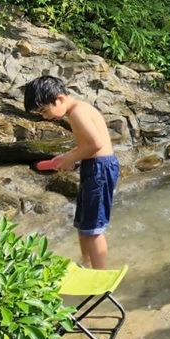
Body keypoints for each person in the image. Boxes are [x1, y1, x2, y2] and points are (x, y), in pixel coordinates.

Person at [24, 75, 120, 270]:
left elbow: (96, 144)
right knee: (83, 223)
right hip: (94, 165)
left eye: (44, 110)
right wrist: (67, 156)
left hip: (100, 168)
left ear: (59, 99)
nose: (44, 117)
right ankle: (86, 263)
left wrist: (70, 159)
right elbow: (87, 145)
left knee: (93, 228)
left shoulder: (78, 113)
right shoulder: (78, 110)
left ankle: (100, 274)